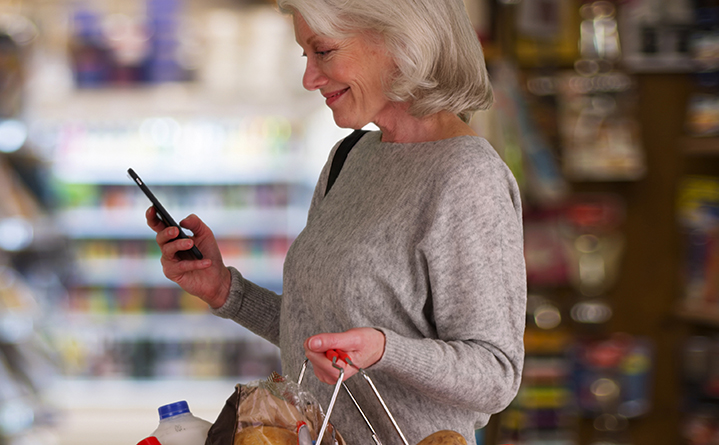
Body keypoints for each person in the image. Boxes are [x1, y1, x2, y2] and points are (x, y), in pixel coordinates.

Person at [144, 0, 525, 443]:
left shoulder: (467, 176)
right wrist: (225, 290)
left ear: (402, 41)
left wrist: (384, 350)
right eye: (305, 55)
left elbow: (496, 375)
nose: (309, 79)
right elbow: (322, 334)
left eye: (323, 51)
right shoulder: (350, 157)